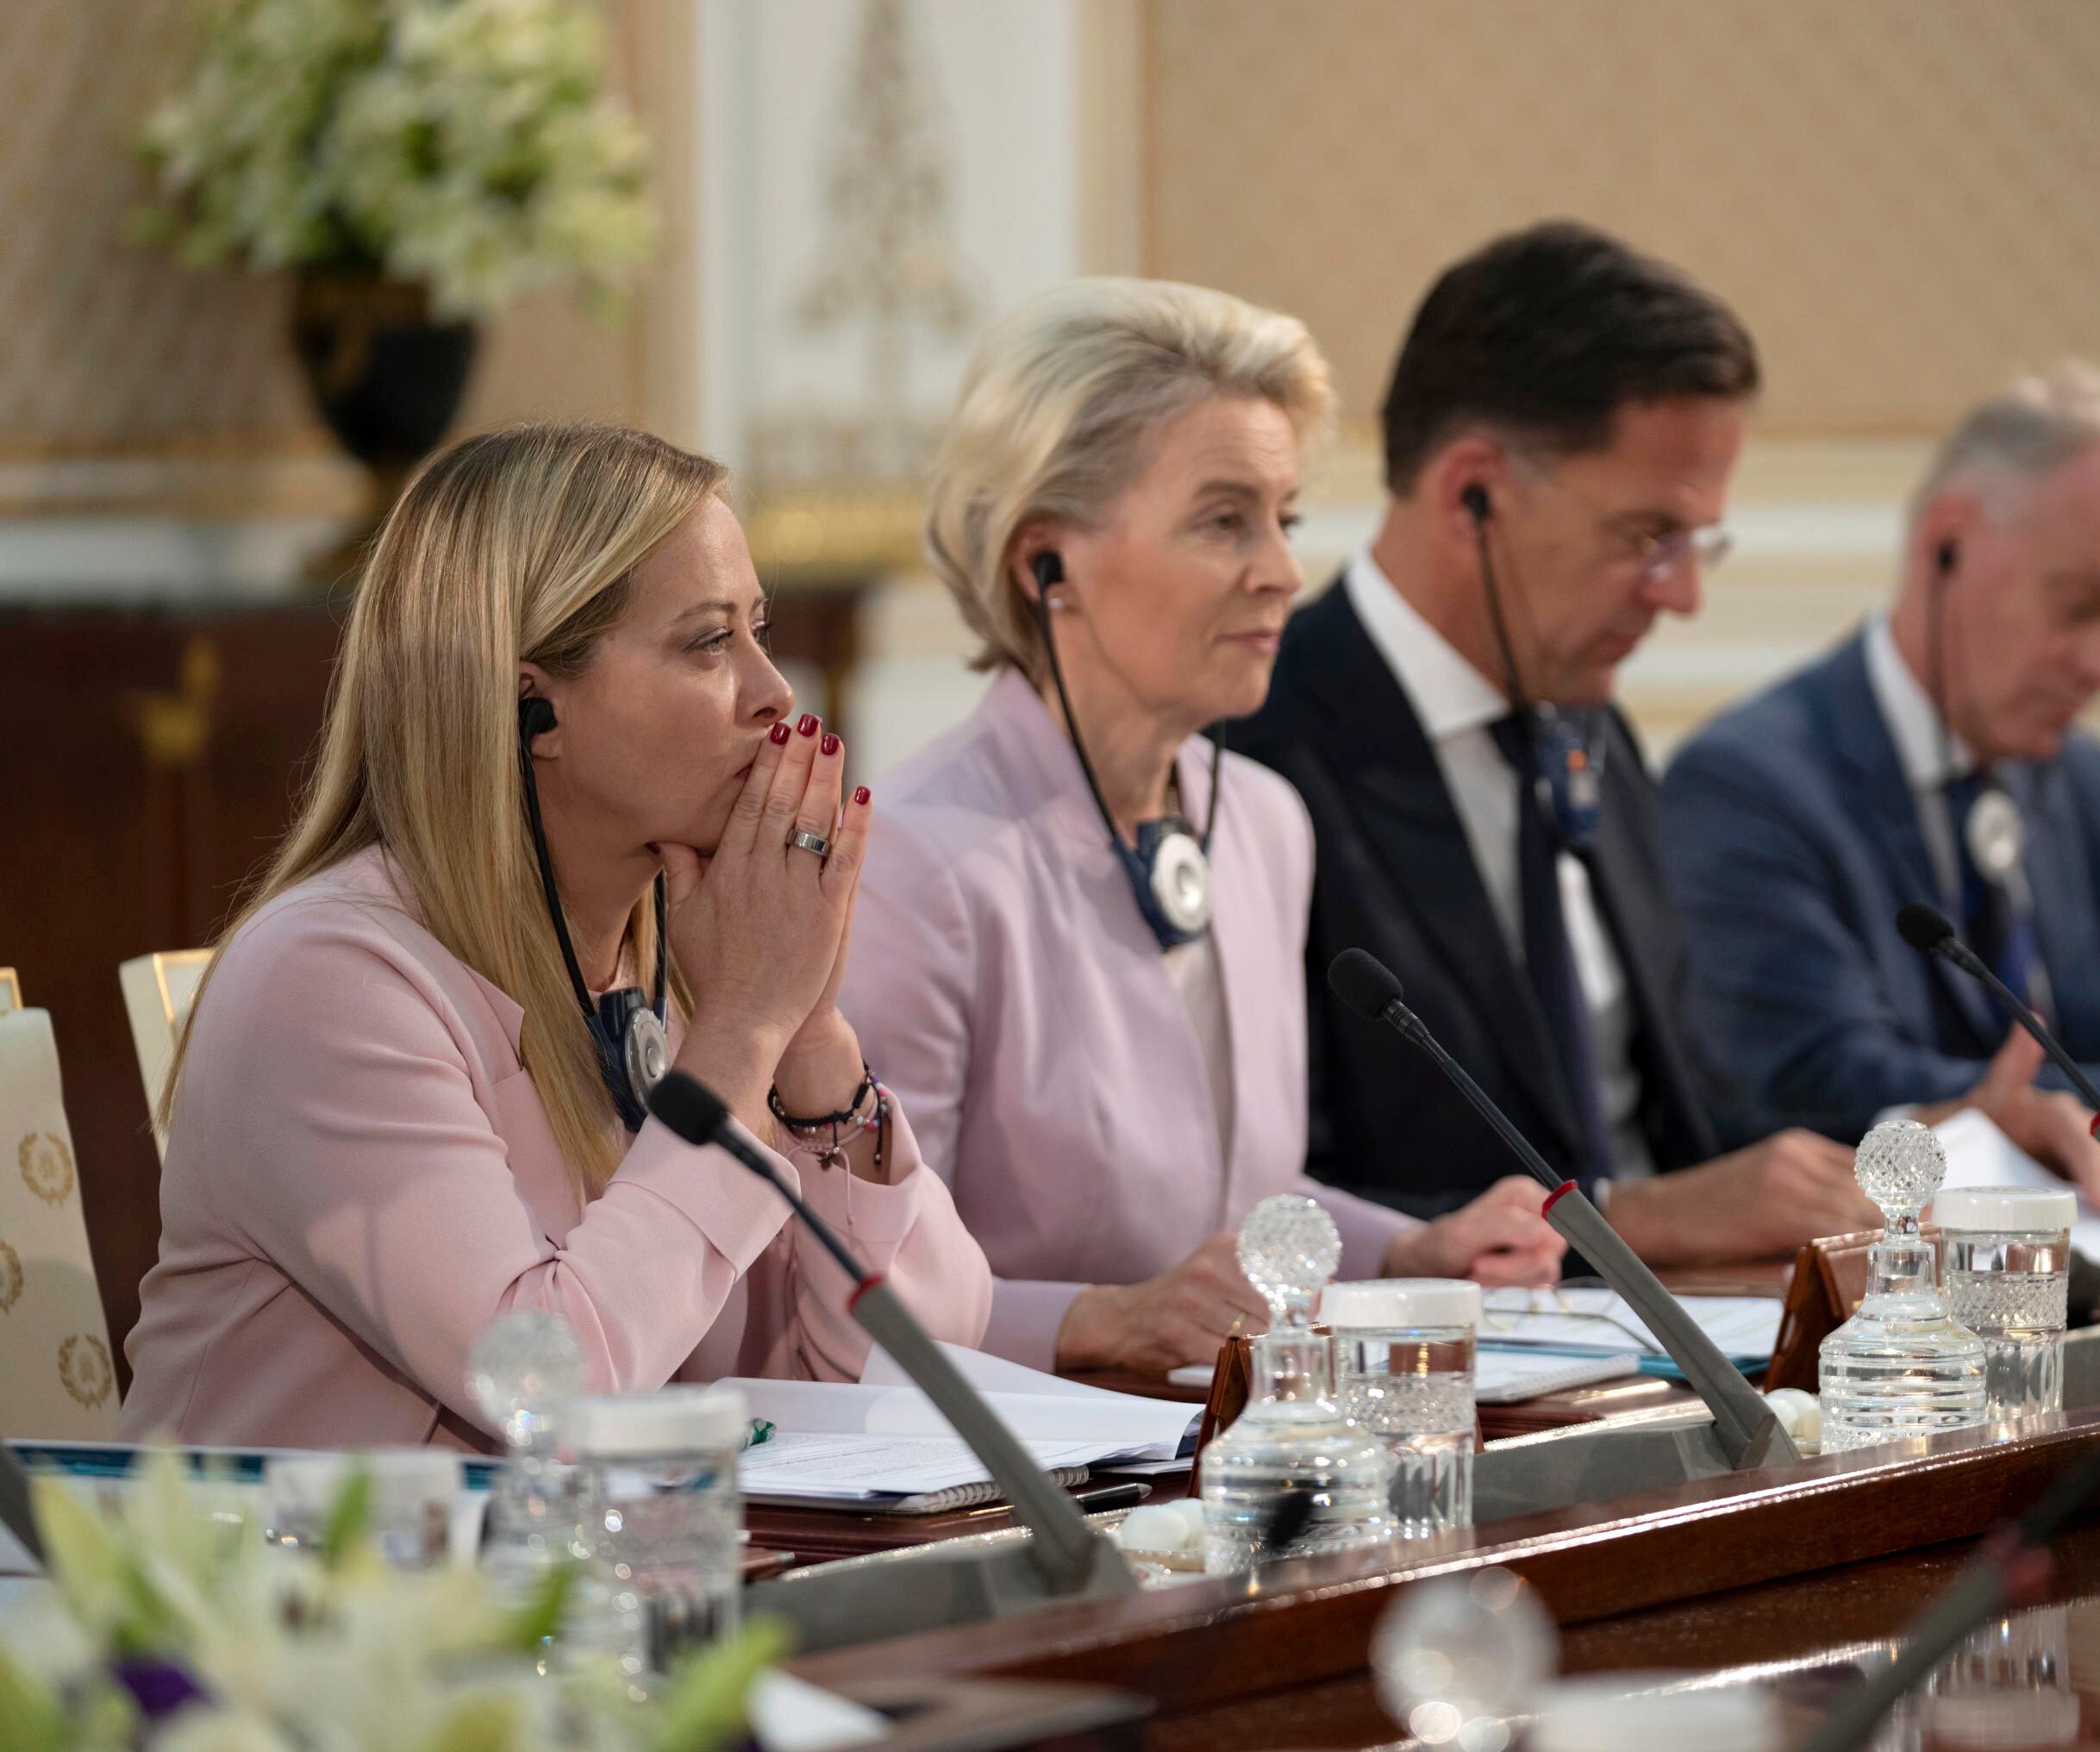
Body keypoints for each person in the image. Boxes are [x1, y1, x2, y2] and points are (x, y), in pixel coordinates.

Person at [122, 422, 991, 1450]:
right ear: (533, 706)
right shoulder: (329, 980)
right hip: (299, 1595)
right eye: (711, 641)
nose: (774, 691)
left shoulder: (680, 959)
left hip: (592, 1584)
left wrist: (809, 1037)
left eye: (758, 630)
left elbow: (915, 1379)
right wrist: (746, 1029)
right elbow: (544, 1390)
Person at [844, 278, 1563, 1374]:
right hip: (1029, 1483)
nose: (1280, 571)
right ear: (1049, 565)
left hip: (1233, 1437)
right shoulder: (917, 857)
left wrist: (1416, 1248)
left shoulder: (1266, 819)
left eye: (1285, 518)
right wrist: (1096, 1321)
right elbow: (859, 1283)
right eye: (1225, 519)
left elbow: (1228, 1200)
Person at [1231, 222, 1878, 1264]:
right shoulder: (1255, 744)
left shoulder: (1594, 728)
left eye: (1697, 543)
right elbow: (1267, 1201)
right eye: (1648, 537)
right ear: (1471, 494)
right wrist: (1637, 1219)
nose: (1684, 595)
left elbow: (1681, 1111)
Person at [1662, 366, 2100, 1199]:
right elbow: (1815, 1086)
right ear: (1945, 545)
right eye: (2078, 607)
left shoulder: (2078, 780)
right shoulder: (1748, 785)